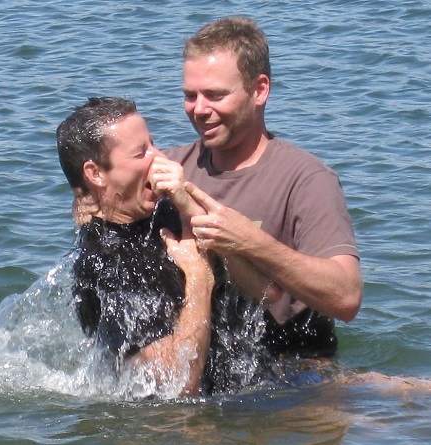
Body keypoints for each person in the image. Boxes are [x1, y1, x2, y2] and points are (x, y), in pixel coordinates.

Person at [161, 16, 362, 358]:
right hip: (196, 371)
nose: (199, 109)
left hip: (291, 372)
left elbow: (346, 298)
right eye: (189, 96)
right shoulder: (171, 169)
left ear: (260, 90)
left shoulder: (306, 179)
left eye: (214, 95)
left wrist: (251, 242)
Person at [57, 97, 214, 397]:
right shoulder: (108, 265)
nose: (159, 157)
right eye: (142, 152)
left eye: (153, 144)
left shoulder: (158, 212)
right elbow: (177, 383)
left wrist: (186, 204)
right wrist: (198, 275)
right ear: (95, 173)